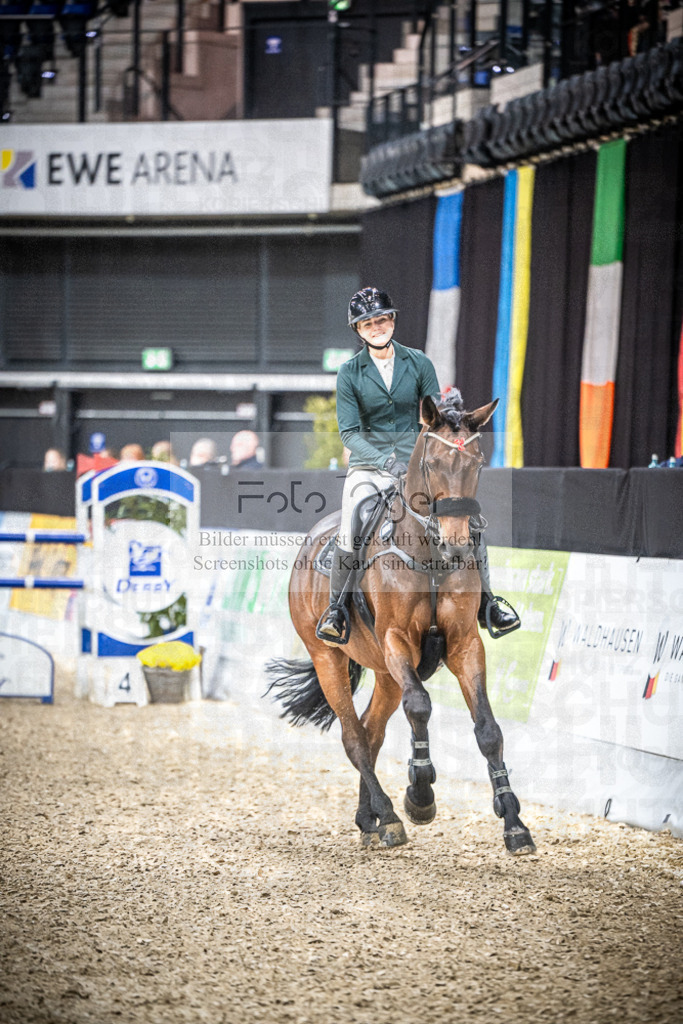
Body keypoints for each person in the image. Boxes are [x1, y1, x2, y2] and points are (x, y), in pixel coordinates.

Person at [316, 286, 520, 644]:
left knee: (468, 519)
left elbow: (436, 417)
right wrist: (384, 461)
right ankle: (336, 610)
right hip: (370, 468)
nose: (376, 327)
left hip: (420, 467)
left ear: (392, 321)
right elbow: (349, 433)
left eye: (382, 319)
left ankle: (489, 604)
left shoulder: (419, 362)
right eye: (367, 324)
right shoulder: (349, 372)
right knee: (352, 521)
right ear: (358, 331)